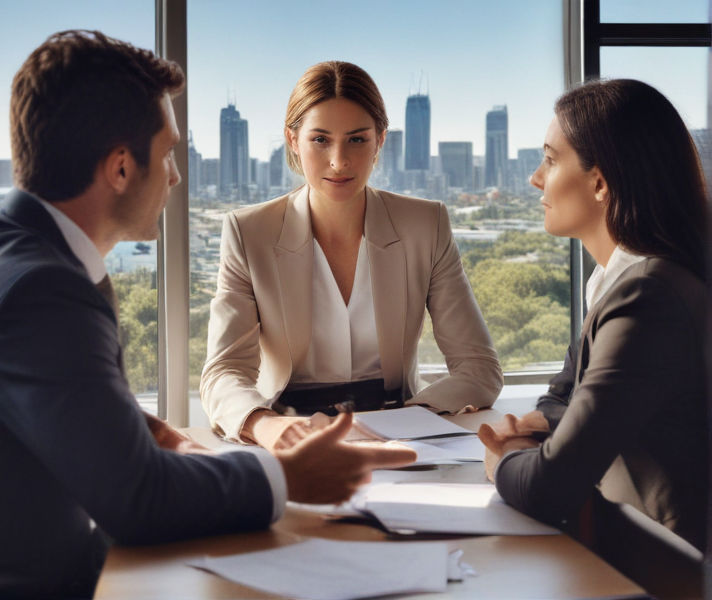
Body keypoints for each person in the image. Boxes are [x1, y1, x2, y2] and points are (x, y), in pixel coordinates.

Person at [0, 32, 415, 598]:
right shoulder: (41, 290)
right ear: (122, 169)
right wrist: (288, 476)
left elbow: (76, 424)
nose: (176, 176)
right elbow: (139, 501)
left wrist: (159, 439)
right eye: (167, 153)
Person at [201, 61, 503, 450]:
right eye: (320, 140)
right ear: (293, 141)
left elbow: (479, 367)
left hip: (403, 429)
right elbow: (223, 372)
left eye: (357, 140)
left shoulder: (426, 224)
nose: (339, 161)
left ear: (380, 140)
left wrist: (409, 418)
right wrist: (264, 425)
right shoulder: (249, 232)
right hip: (290, 437)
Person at [480, 79, 707, 552]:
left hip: (670, 569)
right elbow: (561, 398)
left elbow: (550, 486)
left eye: (550, 159)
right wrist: (543, 431)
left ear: (599, 182)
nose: (535, 179)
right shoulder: (617, 280)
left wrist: (503, 459)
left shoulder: (647, 297)